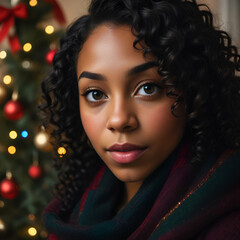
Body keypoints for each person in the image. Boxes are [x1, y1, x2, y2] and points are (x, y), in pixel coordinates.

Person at [41, 0, 240, 239]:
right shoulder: (71, 210)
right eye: (96, 94)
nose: (119, 119)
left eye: (147, 89)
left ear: (193, 90)